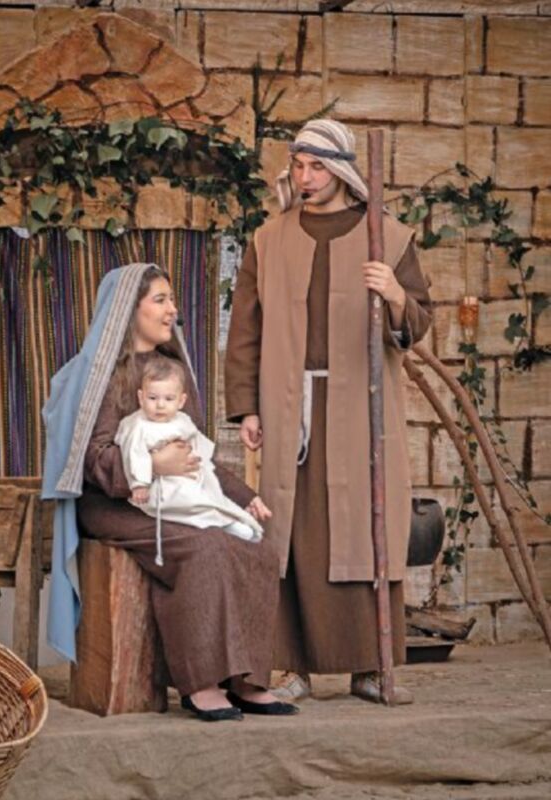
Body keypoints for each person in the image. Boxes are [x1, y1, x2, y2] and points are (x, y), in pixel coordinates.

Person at [225, 119, 433, 704]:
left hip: (361, 409)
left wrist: (394, 293)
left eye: (317, 166)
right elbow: (245, 330)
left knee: (365, 531)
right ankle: (290, 666)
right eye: (298, 164)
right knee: (290, 532)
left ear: (341, 169)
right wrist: (244, 407)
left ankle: (371, 666)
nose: (305, 176)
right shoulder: (269, 238)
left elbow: (415, 324)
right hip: (286, 402)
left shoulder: (387, 237)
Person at [43, 262, 298, 721]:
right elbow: (88, 456)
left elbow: (202, 455)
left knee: (257, 549)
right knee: (203, 549)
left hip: (182, 497)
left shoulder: (174, 374)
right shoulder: (101, 375)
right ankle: (200, 682)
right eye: (159, 300)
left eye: (172, 300)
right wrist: (152, 466)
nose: (171, 310)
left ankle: (246, 678)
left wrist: (242, 498)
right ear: (128, 309)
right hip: (119, 503)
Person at [115, 354, 264, 563]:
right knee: (188, 499)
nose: (160, 406)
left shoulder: (182, 420)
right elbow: (134, 453)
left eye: (168, 399)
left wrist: (200, 466)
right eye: (152, 398)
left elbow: (199, 447)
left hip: (189, 474)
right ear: (141, 397)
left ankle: (233, 519)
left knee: (212, 492)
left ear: (181, 401)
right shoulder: (138, 426)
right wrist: (139, 484)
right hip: (160, 486)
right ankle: (221, 524)